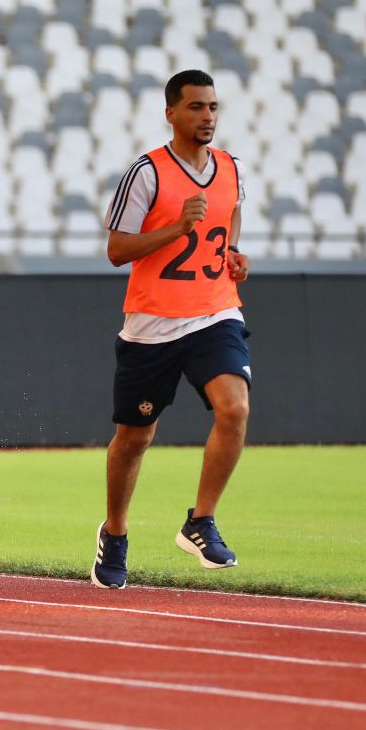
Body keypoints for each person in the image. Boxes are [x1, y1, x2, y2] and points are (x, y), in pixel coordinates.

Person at [91, 69, 251, 590]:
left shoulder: (231, 167)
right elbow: (117, 250)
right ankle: (115, 531)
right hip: (153, 324)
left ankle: (201, 520)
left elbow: (230, 217)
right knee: (134, 437)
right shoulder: (147, 173)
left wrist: (233, 252)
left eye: (213, 107)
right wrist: (177, 227)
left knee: (235, 407)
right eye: (196, 107)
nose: (207, 116)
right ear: (171, 113)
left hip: (214, 311)